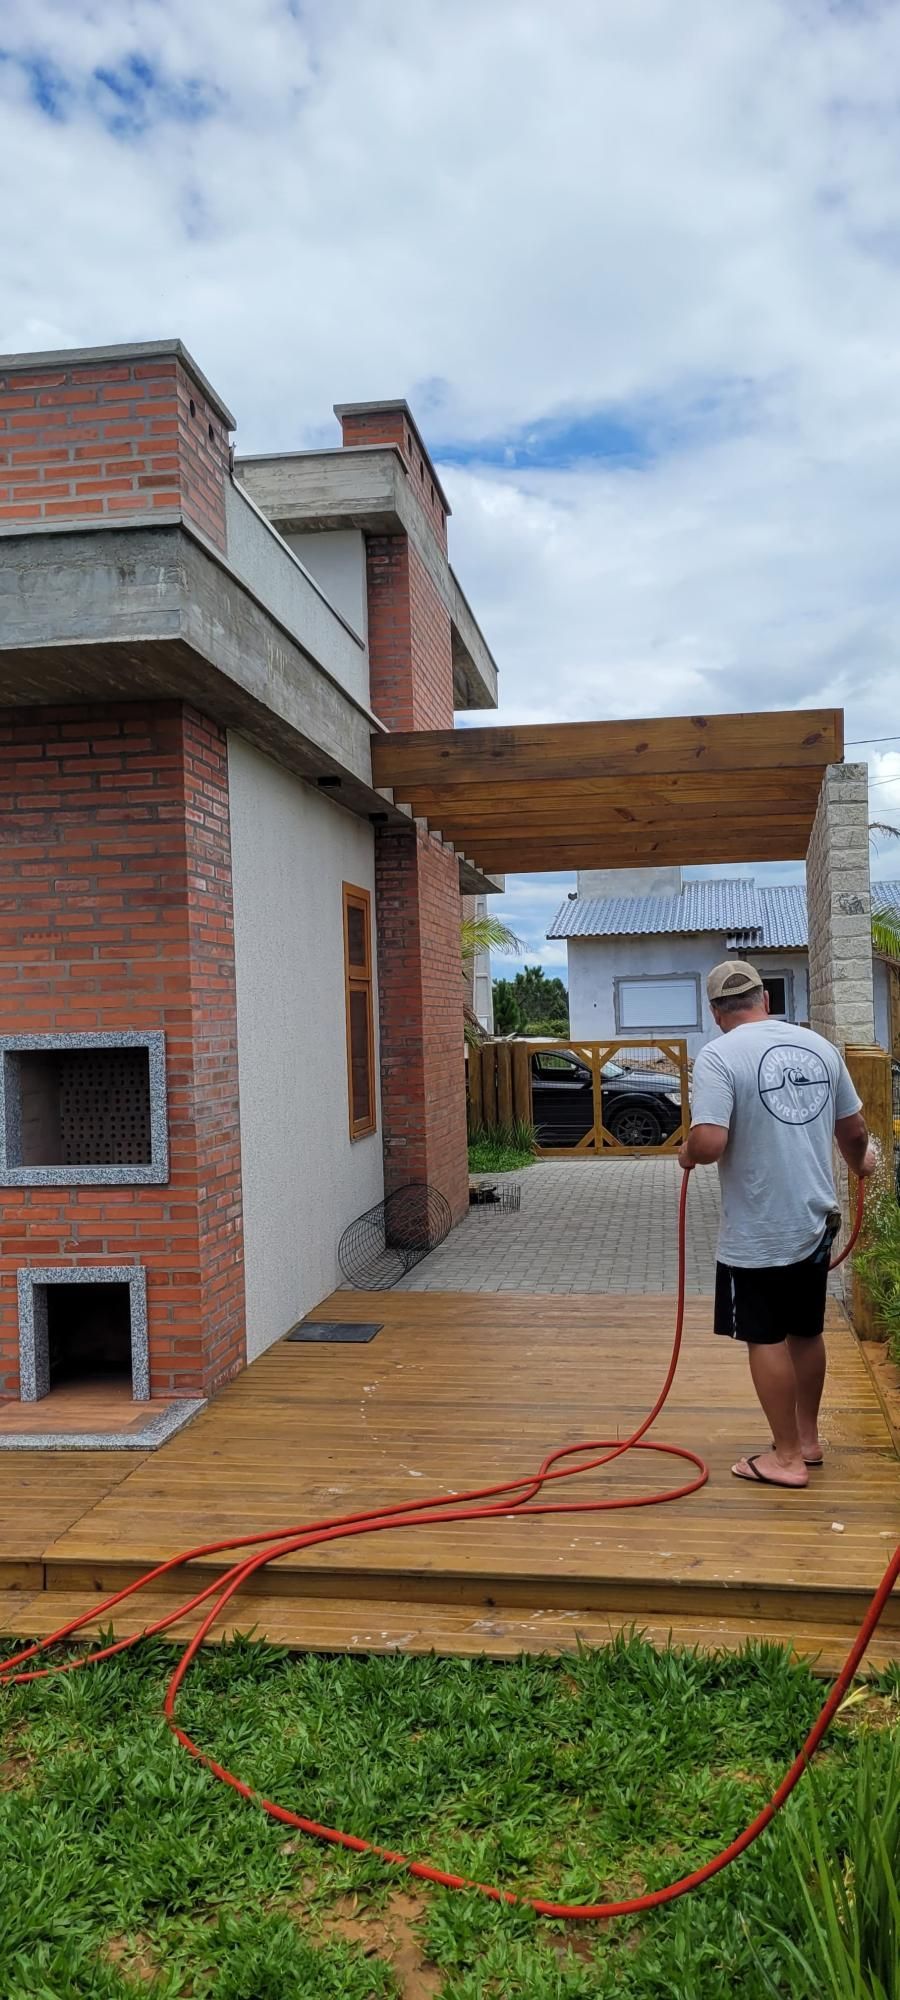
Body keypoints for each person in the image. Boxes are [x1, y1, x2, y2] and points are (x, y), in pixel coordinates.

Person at [678, 961, 877, 1490]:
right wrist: (861, 1165)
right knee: (806, 1331)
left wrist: (687, 1153)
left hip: (758, 1227)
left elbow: (710, 1141)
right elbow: (855, 1132)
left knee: (764, 1336)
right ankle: (807, 1440)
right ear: (765, 998)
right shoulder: (819, 1047)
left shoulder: (719, 1055)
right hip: (814, 1219)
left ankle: (786, 1459)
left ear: (715, 1011)